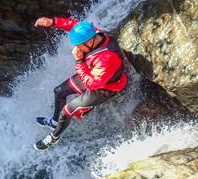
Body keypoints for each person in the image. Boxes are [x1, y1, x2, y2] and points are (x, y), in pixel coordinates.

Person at [33, 17, 128, 151]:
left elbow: (92, 85)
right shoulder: (94, 34)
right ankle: (55, 123)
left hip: (104, 88)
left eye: (78, 45)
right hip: (92, 75)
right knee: (59, 91)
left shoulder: (107, 57)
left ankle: (53, 138)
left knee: (66, 111)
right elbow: (75, 26)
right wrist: (53, 22)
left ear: (89, 42)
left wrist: (79, 62)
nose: (76, 48)